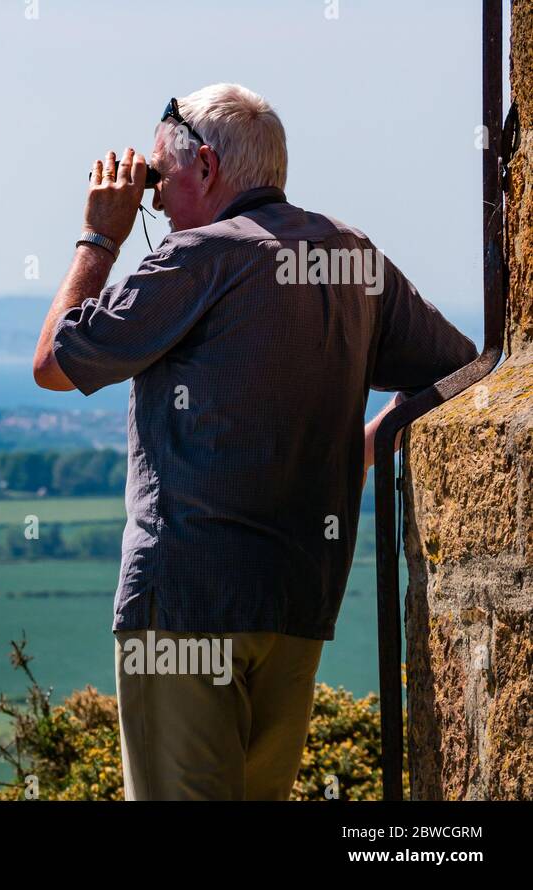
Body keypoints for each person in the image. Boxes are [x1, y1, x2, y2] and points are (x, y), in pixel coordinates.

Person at [31, 83, 477, 800]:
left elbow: (54, 362)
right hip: (296, 606)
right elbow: (468, 374)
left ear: (204, 168)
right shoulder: (351, 257)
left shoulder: (198, 258)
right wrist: (366, 445)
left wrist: (99, 237)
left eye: (159, 177)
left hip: (183, 611)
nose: (153, 200)